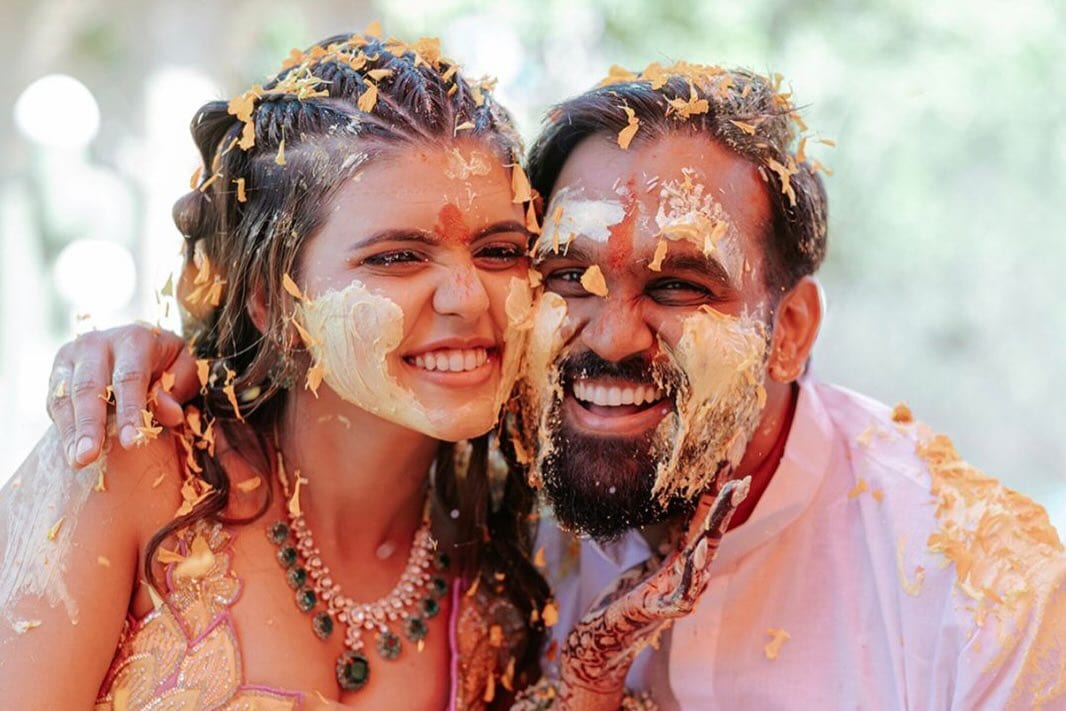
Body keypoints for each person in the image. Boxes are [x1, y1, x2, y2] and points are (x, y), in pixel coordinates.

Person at [38, 60, 1066, 709]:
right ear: (272, 299)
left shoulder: (987, 601)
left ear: (790, 329)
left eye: (678, 285)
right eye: (565, 275)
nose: (609, 335)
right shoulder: (135, 464)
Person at [0, 31, 561, 709]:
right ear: (271, 299)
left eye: (500, 251)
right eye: (397, 257)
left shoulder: (510, 571)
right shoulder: (124, 462)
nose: (468, 298)